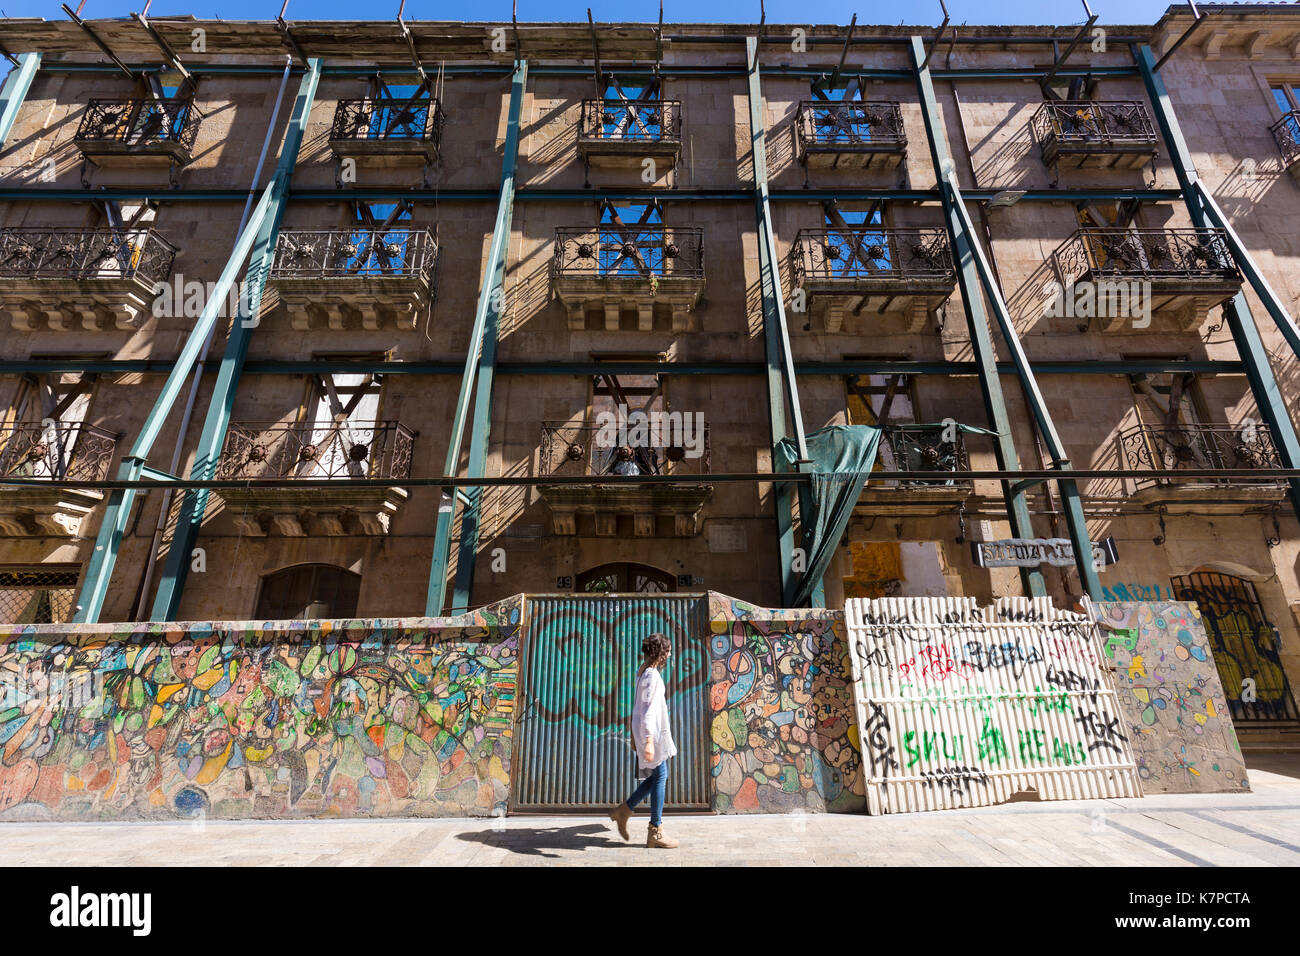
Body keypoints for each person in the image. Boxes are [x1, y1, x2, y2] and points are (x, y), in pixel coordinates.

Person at [609, 632, 679, 849]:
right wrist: (648, 740)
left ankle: (624, 811)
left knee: (658, 776)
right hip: (651, 734)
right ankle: (655, 830)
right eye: (668, 651)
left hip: (647, 732)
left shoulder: (643, 672)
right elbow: (646, 709)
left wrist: (636, 736)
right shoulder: (651, 676)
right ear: (661, 653)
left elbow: (637, 707)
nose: (670, 654)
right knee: (660, 776)